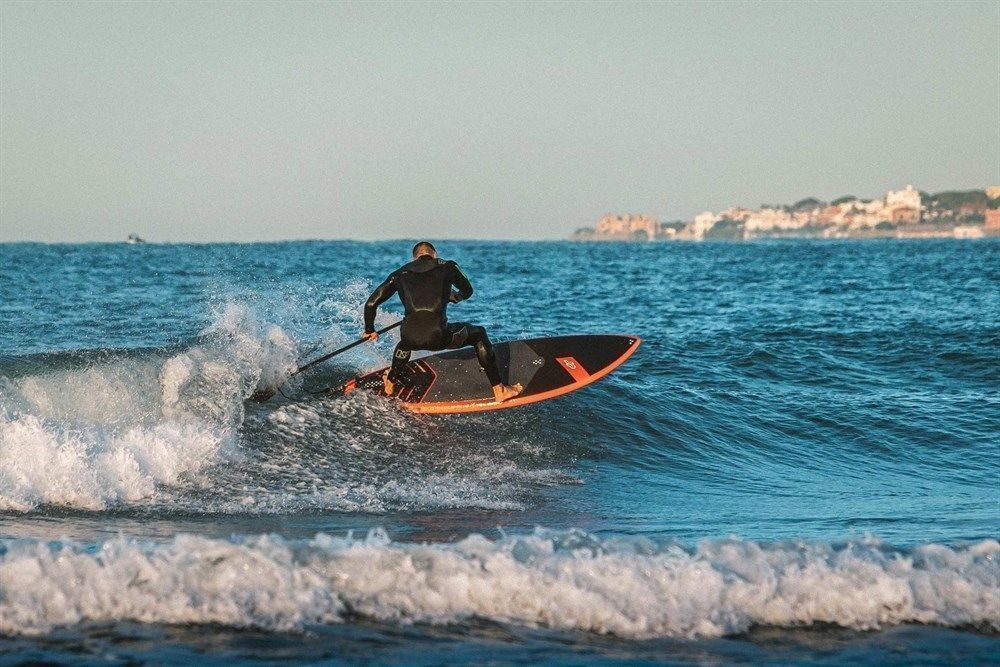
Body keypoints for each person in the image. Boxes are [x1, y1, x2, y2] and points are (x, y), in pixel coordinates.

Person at [362, 242, 522, 403]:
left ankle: (390, 381)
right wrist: (455, 297)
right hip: (439, 337)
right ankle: (499, 390)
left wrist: (370, 329)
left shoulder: (398, 273)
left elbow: (371, 304)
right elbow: (468, 291)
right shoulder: (448, 266)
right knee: (479, 334)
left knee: (406, 342)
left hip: (409, 338)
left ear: (415, 257)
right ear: (434, 254)